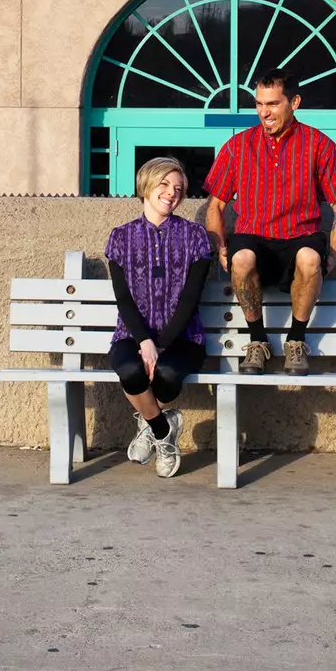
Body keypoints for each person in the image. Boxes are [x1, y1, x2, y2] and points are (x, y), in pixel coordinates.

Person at [202, 68, 336, 375]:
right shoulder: (237, 147)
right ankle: (257, 342)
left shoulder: (320, 145)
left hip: (301, 237)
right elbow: (215, 205)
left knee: (312, 258)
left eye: (272, 104)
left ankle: (296, 342)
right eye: (259, 104)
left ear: (294, 102)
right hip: (253, 237)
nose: (264, 112)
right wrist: (220, 246)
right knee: (241, 258)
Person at [105, 155, 212, 478]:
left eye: (178, 187)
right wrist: (145, 341)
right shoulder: (120, 238)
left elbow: (191, 299)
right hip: (132, 334)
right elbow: (123, 299)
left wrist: (161, 345)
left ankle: (148, 423)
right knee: (129, 368)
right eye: (164, 184)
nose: (171, 192)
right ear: (146, 185)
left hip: (184, 338)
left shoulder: (196, 238)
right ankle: (164, 431)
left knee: (164, 375)